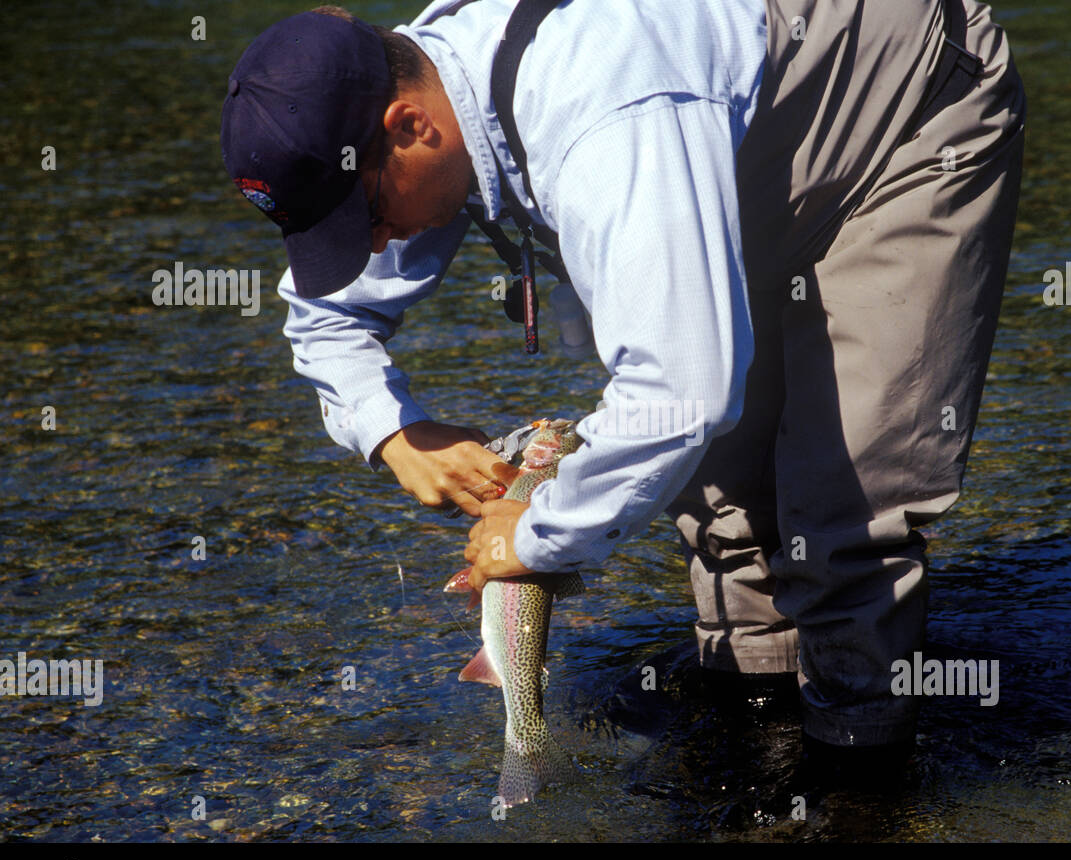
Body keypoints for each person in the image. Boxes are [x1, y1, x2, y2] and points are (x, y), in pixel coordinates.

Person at [220, 0, 1025, 768]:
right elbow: (327, 318)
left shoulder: (600, 114)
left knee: (844, 517)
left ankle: (862, 798)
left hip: (902, 122)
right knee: (726, 511)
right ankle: (760, 756)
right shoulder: (414, 89)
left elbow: (682, 390)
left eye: (366, 219)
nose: (376, 244)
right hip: (720, 137)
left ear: (410, 127)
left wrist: (535, 537)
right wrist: (395, 432)